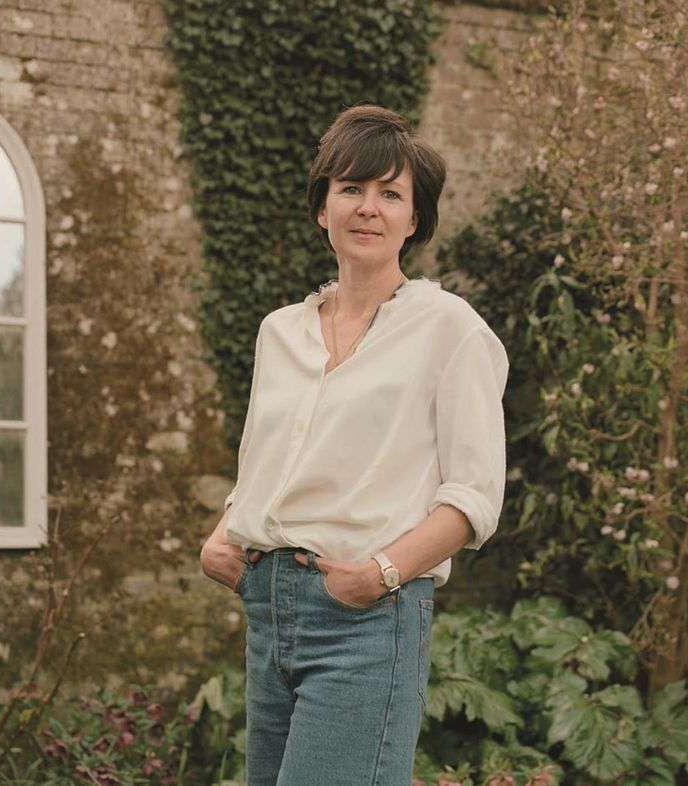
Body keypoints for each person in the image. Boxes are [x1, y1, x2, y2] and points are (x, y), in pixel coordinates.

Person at [199, 104, 508, 786]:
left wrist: (378, 577)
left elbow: (474, 496)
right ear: (322, 208)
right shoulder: (279, 331)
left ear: (415, 220)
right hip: (269, 607)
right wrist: (224, 533)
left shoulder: (450, 329)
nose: (368, 208)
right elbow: (267, 464)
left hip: (365, 618)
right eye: (351, 189)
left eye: (390, 194)